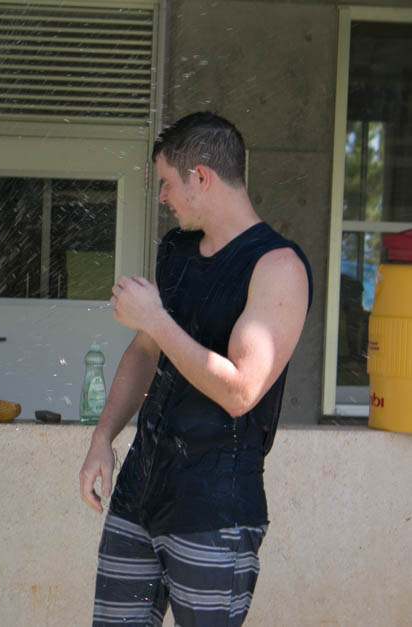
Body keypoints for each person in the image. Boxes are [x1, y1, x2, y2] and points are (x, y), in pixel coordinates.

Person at [78, 112, 312, 626]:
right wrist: (103, 438)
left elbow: (241, 390)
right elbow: (144, 352)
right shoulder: (177, 251)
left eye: (166, 183)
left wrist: (158, 321)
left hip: (214, 511)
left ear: (201, 177)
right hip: (139, 496)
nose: (163, 197)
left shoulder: (278, 267)